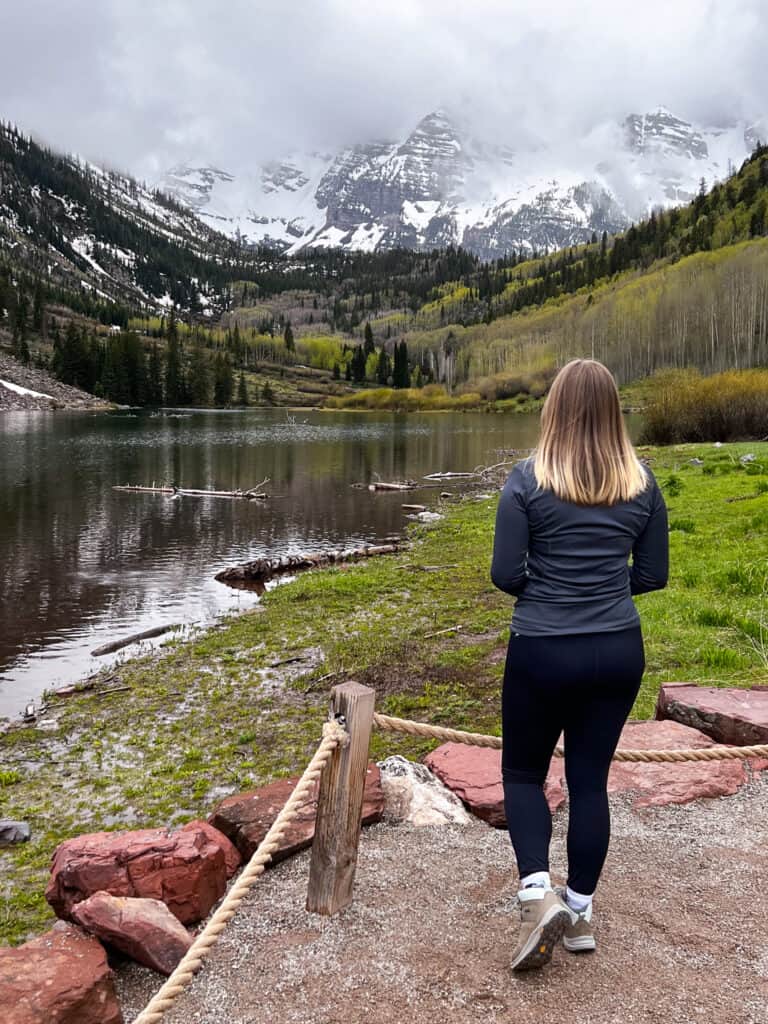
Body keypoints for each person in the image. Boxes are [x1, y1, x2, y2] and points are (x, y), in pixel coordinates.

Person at [491, 358, 668, 972]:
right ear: (614, 411)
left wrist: (554, 589)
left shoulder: (525, 481)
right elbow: (653, 576)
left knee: (521, 773)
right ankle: (581, 912)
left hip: (543, 646)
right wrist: (600, 588)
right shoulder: (643, 482)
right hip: (617, 649)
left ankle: (537, 896)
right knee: (590, 781)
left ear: (555, 409)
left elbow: (505, 574)